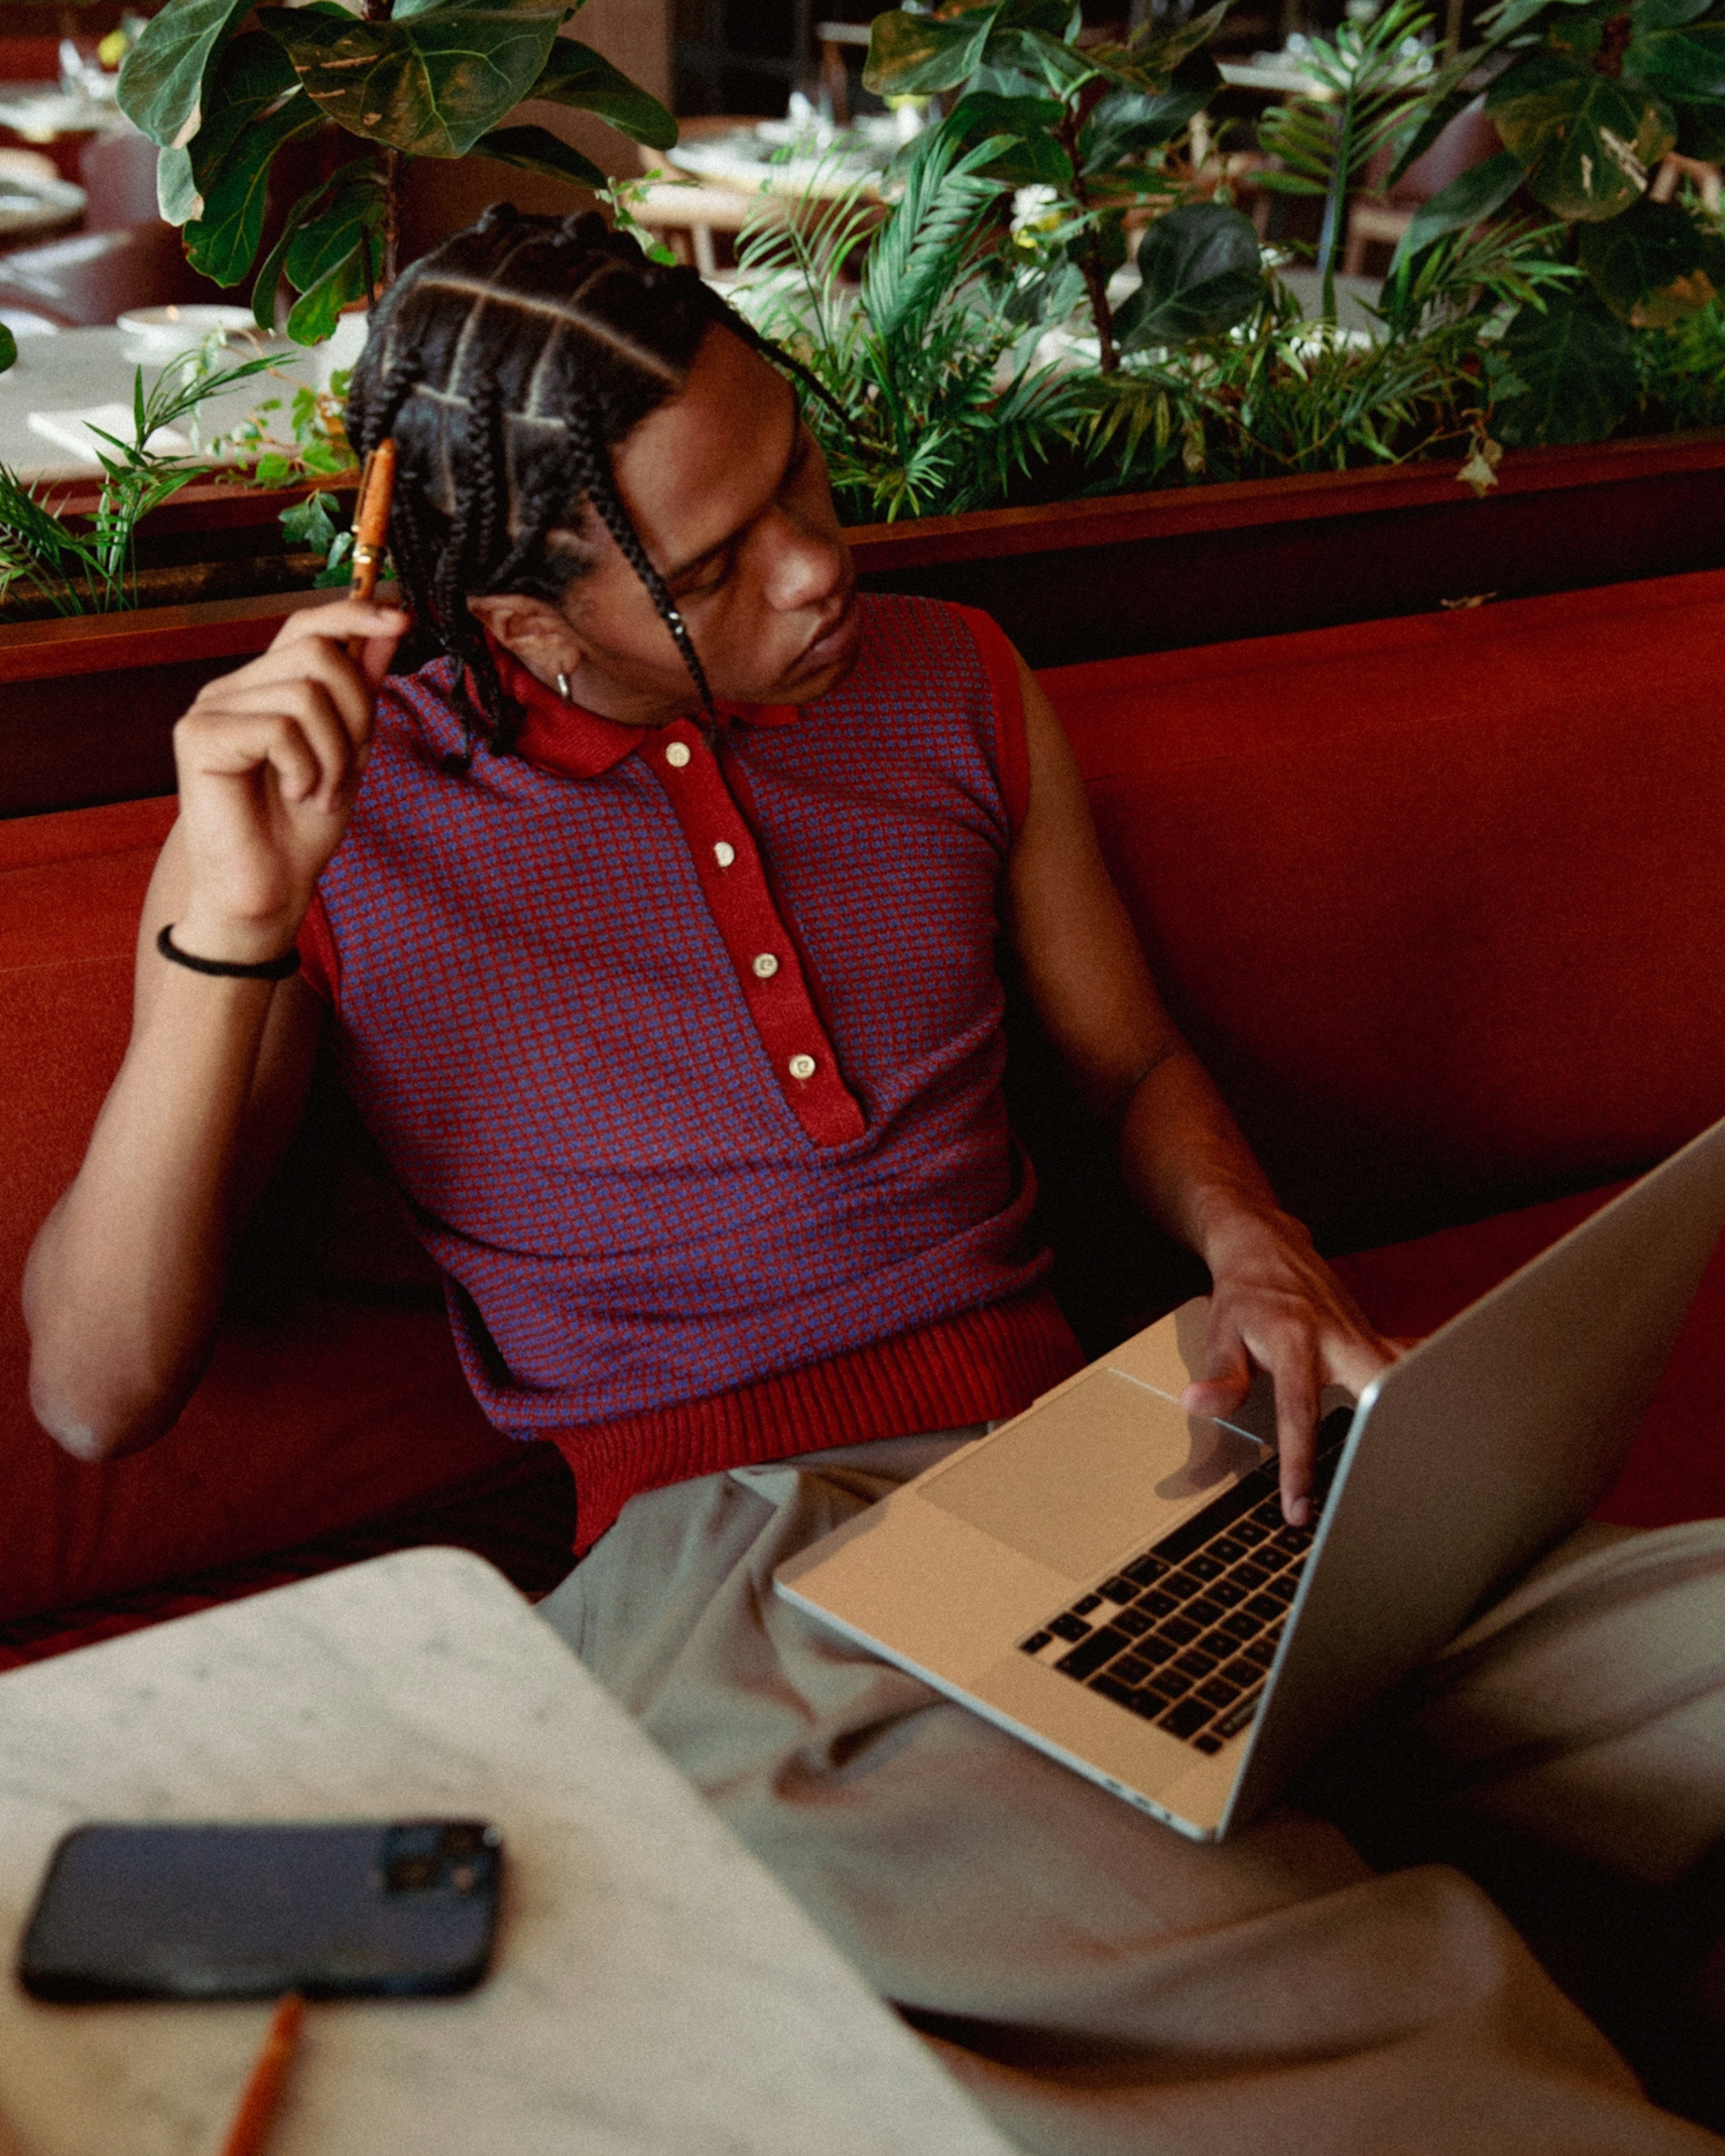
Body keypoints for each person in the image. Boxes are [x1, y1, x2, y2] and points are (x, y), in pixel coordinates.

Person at [23, 210, 1725, 2153]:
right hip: (740, 1579)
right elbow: (95, 1387)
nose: (822, 569)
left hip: (1127, 1460)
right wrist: (231, 916)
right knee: (1311, 2001)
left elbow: (1132, 1059)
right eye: (718, 565)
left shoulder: (954, 680)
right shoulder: (332, 825)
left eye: (802, 478)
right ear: (522, 623)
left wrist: (1262, 1254)